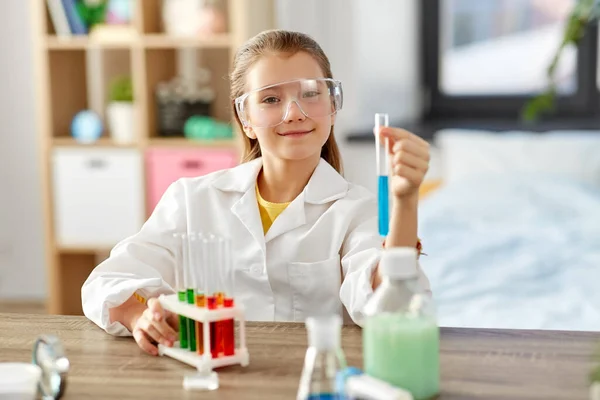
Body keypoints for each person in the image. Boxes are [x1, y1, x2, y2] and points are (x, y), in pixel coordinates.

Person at [81, 29, 432, 356]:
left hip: (309, 379)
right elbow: (107, 281)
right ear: (244, 117)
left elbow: (389, 304)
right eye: (271, 99)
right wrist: (141, 316)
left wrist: (404, 201)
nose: (294, 113)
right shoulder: (192, 199)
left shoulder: (356, 210)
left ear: (332, 105)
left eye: (310, 93)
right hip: (215, 379)